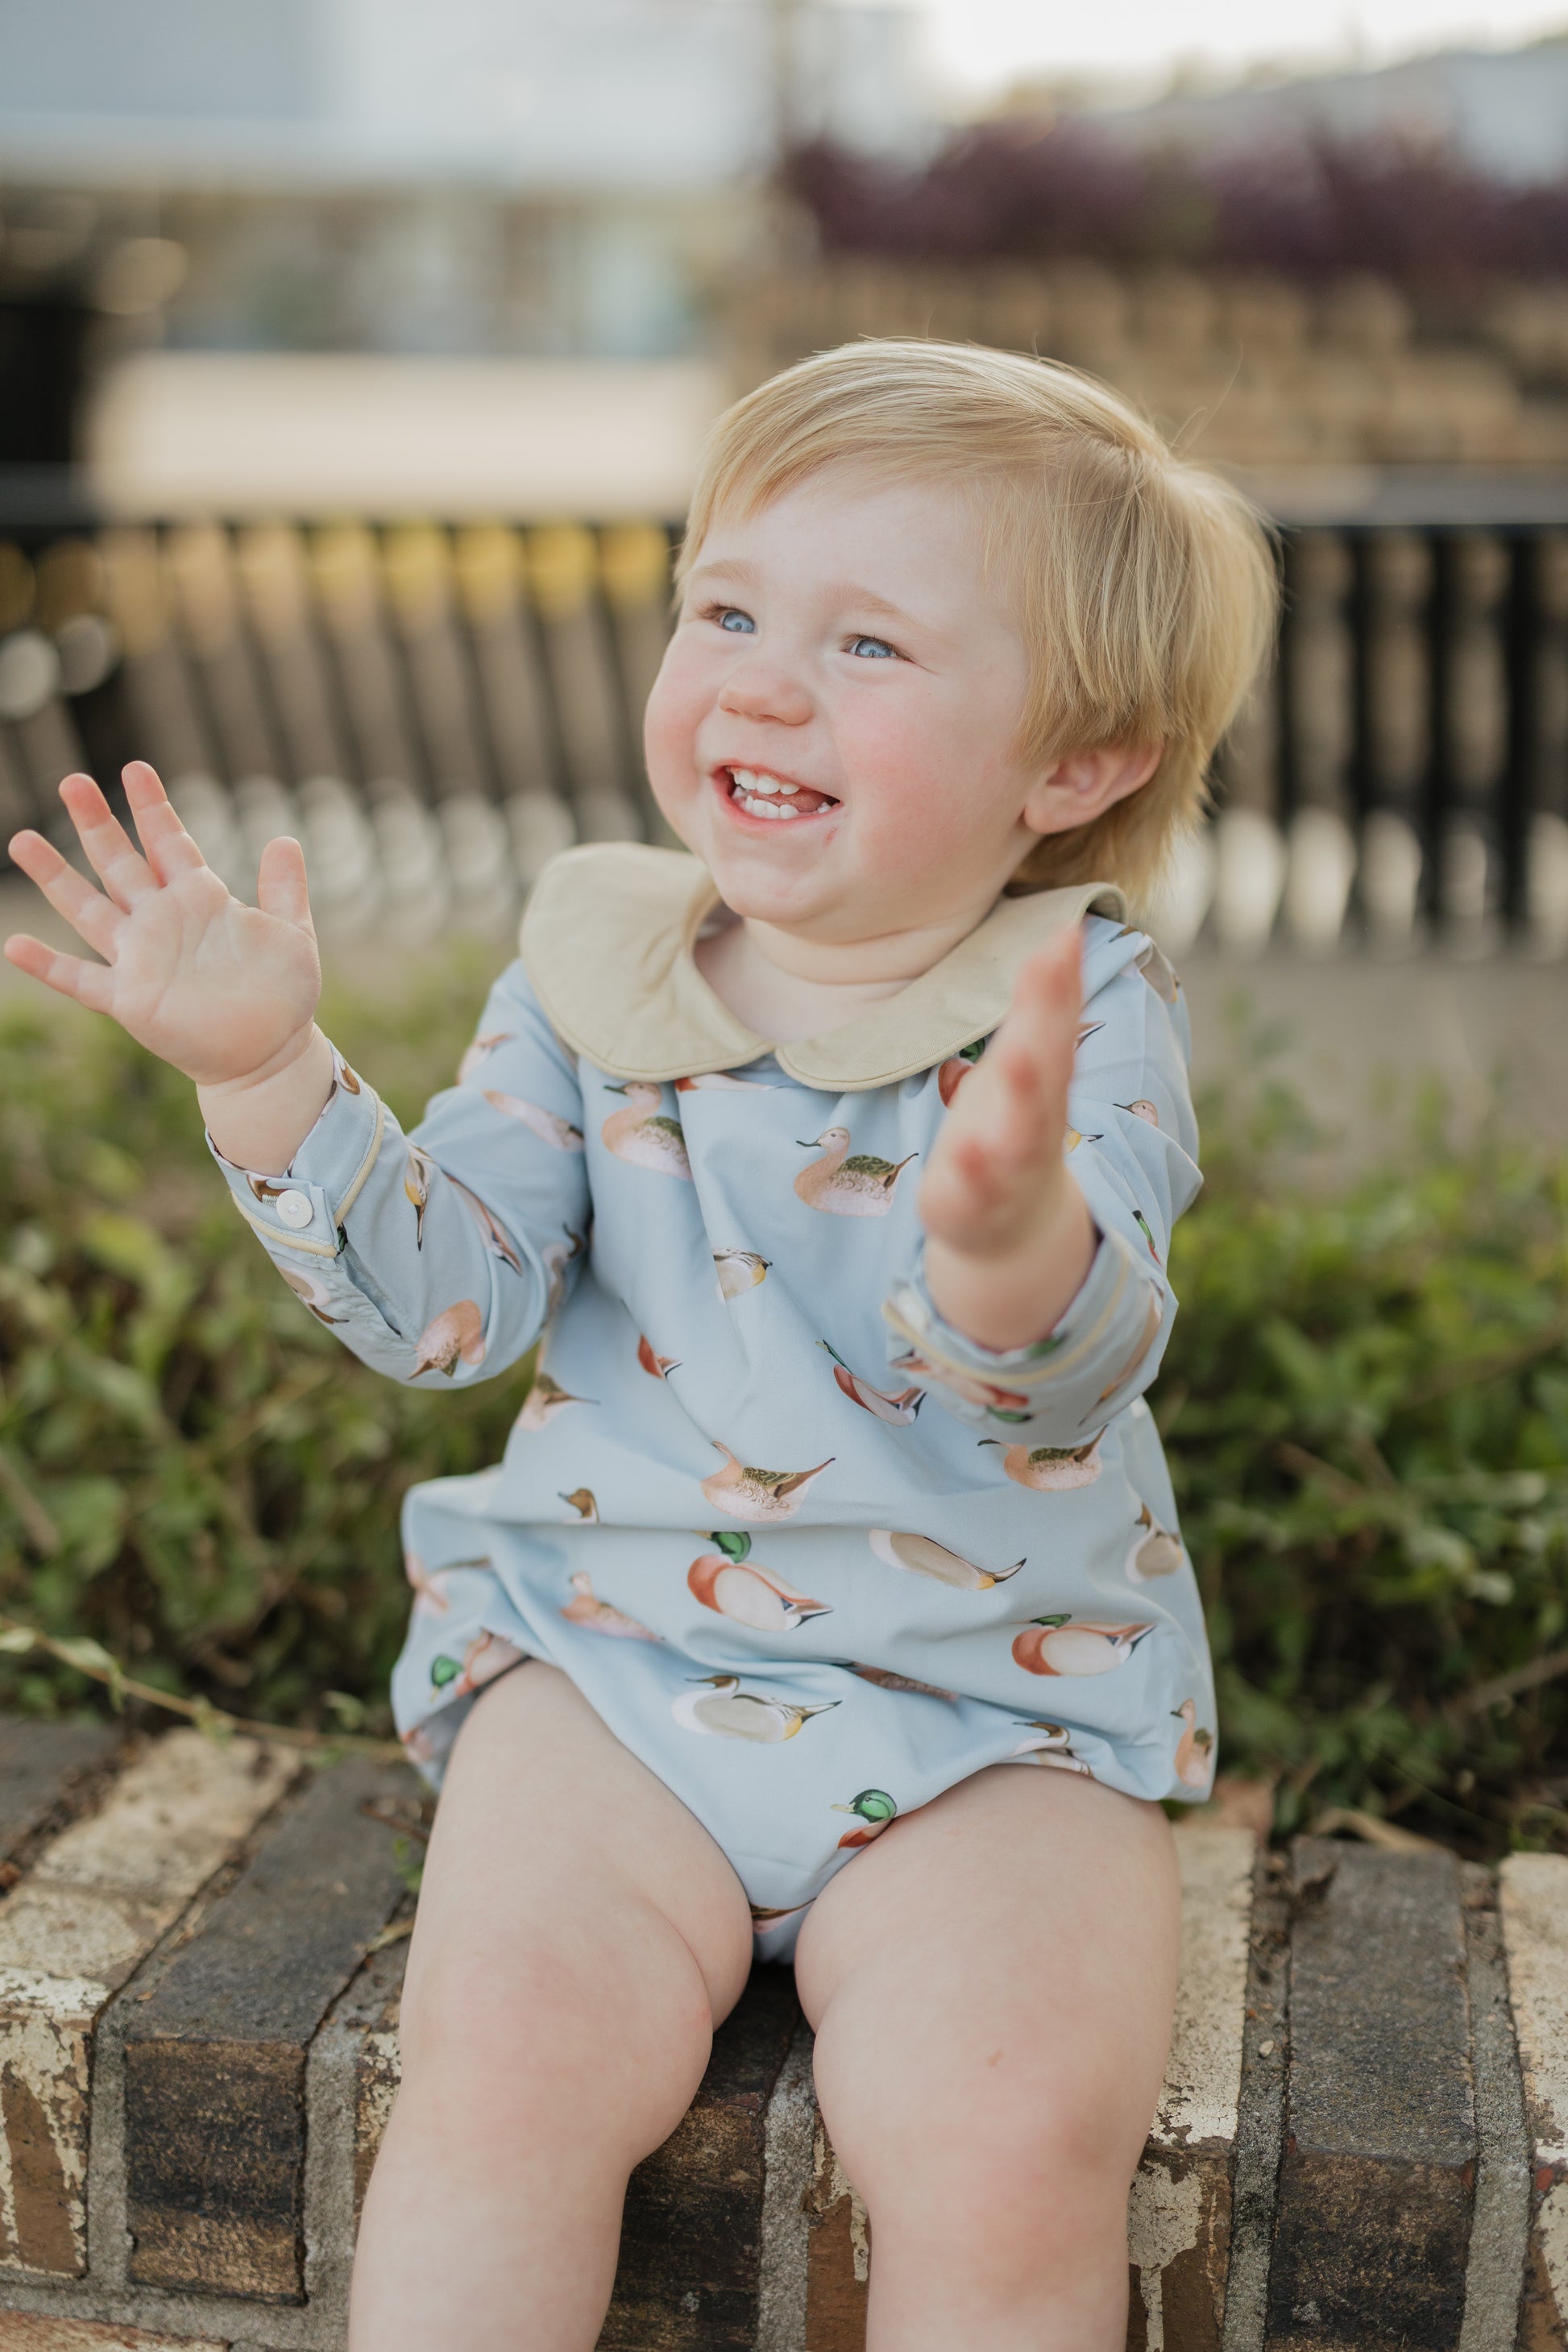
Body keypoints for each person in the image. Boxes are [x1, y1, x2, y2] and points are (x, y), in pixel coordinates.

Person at [6, 341, 1275, 2352]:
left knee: (1012, 2125)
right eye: (729, 607)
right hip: (615, 1676)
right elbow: (455, 1299)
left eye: (870, 642)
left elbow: (1071, 1365)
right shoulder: (592, 964)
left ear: (1073, 761)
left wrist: (1012, 1250)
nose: (764, 679)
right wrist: (270, 1078)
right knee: (501, 2055)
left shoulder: (1074, 997)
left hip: (985, 1706)